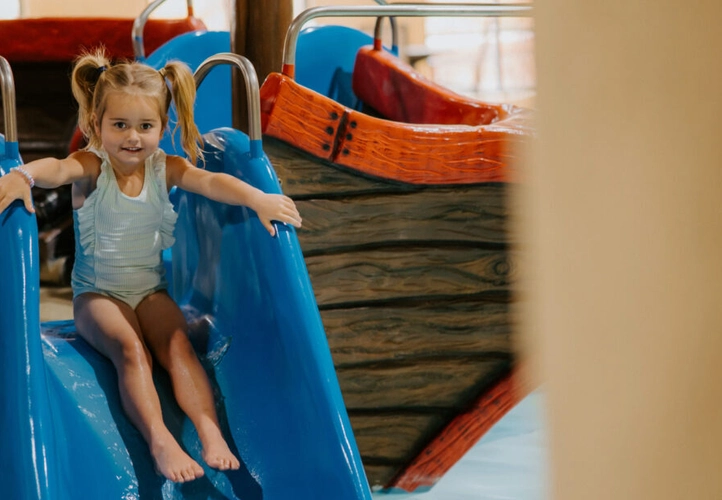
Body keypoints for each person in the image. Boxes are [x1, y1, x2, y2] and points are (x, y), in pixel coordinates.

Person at [0, 49, 302, 483]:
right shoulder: (93, 165)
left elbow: (212, 182)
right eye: (119, 125)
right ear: (97, 124)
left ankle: (210, 430)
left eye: (146, 126)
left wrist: (258, 199)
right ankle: (160, 439)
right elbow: (57, 167)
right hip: (97, 296)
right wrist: (22, 175)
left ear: (163, 126)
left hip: (150, 291)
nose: (132, 138)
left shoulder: (165, 168)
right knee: (132, 349)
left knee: (178, 344)